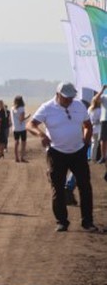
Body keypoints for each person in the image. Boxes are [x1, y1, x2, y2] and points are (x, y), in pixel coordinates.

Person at [28, 83, 97, 232]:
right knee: (57, 188)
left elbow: (87, 125)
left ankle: (88, 222)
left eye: (71, 97)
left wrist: (86, 141)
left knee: (85, 187)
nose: (69, 100)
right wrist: (41, 134)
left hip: (78, 152)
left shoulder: (79, 105)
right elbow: (30, 124)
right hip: (56, 152)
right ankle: (61, 221)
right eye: (66, 98)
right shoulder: (47, 108)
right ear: (58, 94)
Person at [12, 96, 29, 163]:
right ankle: (22, 157)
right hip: (22, 128)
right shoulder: (22, 108)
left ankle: (16, 158)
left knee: (16, 143)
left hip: (15, 128)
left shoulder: (12, 108)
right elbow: (21, 119)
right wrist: (27, 117)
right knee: (23, 143)